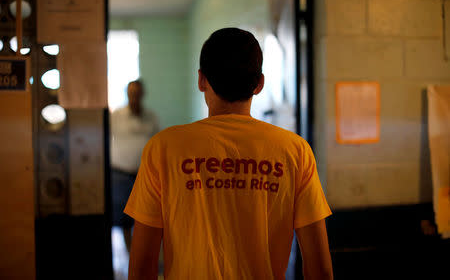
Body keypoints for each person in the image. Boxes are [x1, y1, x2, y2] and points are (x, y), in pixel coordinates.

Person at [125, 28, 333, 279]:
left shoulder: (163, 148)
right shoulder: (294, 151)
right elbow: (319, 268)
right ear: (259, 84)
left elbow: (141, 266)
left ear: (201, 80)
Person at [110, 80, 160, 252]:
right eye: (131, 92)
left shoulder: (151, 117)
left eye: (137, 92)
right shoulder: (116, 115)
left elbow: (156, 143)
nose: (134, 96)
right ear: (127, 93)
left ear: (143, 94)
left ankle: (141, 251)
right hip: (120, 173)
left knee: (145, 214)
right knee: (123, 215)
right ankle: (129, 252)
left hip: (143, 174)